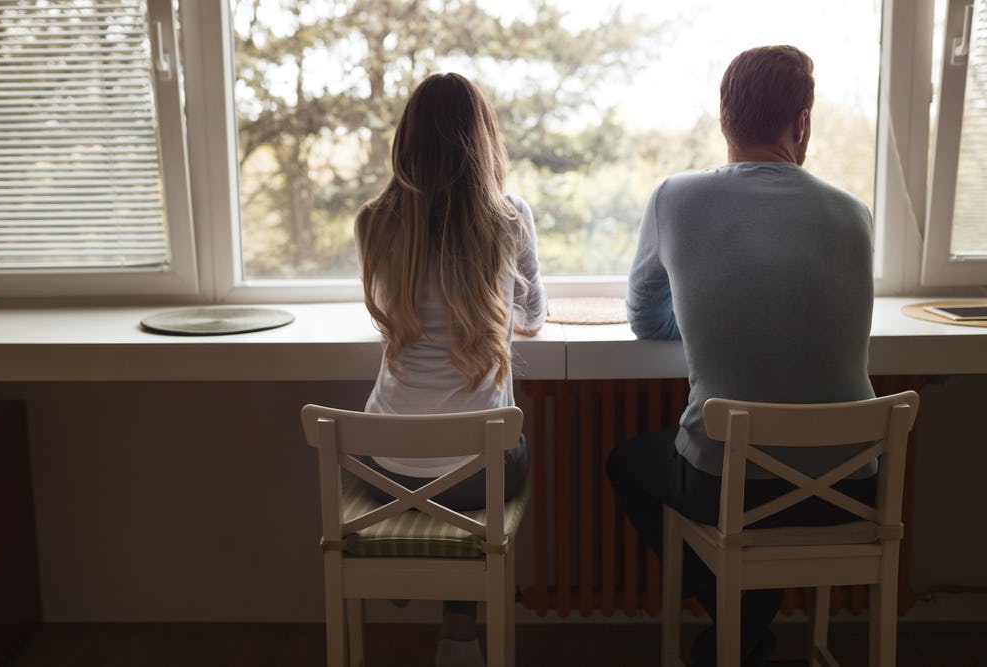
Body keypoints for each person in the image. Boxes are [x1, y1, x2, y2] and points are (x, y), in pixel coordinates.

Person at [606, 45, 877, 667]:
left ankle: (737, 610)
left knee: (625, 463)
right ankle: (750, 617)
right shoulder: (855, 213)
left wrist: (714, 320)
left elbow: (646, 318)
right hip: (852, 487)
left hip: (729, 487)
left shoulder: (676, 197)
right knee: (762, 478)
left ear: (725, 119)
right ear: (801, 123)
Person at [354, 72, 547, 667]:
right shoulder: (508, 218)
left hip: (379, 465)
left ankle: (411, 570)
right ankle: (459, 629)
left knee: (420, 454)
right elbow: (532, 318)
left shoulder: (373, 222)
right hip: (475, 473)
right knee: (507, 452)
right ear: (483, 141)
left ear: (405, 143)